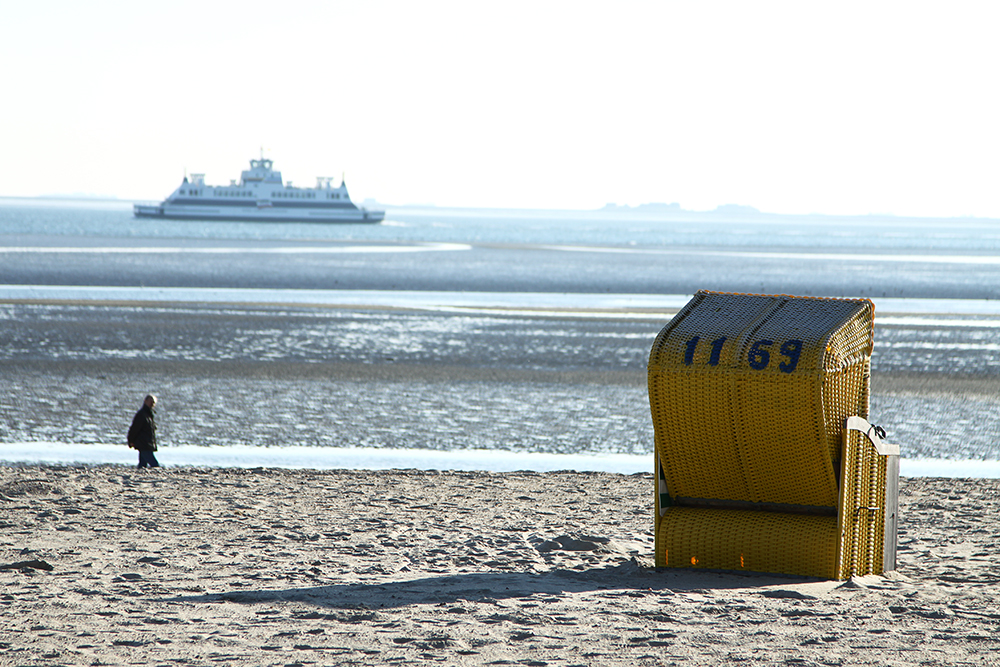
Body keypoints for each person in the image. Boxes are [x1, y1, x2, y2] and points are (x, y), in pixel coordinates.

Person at [127, 394, 159, 468]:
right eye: (150, 401)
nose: (152, 404)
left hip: (146, 443)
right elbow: (134, 428)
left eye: (153, 402)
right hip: (144, 443)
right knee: (154, 465)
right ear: (145, 401)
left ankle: (137, 477)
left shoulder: (149, 414)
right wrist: (131, 440)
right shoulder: (142, 414)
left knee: (142, 465)